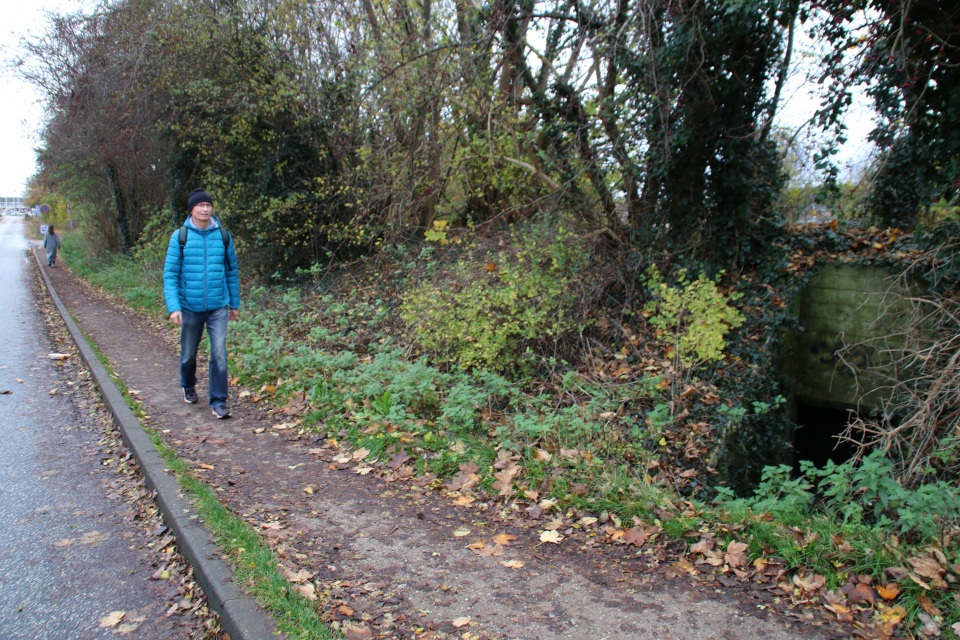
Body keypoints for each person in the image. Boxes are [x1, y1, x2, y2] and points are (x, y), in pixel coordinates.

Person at [163, 188, 240, 418]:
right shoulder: (180, 237)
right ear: (192, 210)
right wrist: (173, 307)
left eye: (208, 205)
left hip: (218, 307)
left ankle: (218, 401)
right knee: (188, 355)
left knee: (219, 354)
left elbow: (231, 272)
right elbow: (170, 275)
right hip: (189, 307)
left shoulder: (224, 236)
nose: (205, 209)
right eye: (200, 205)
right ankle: (188, 384)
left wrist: (233, 304)